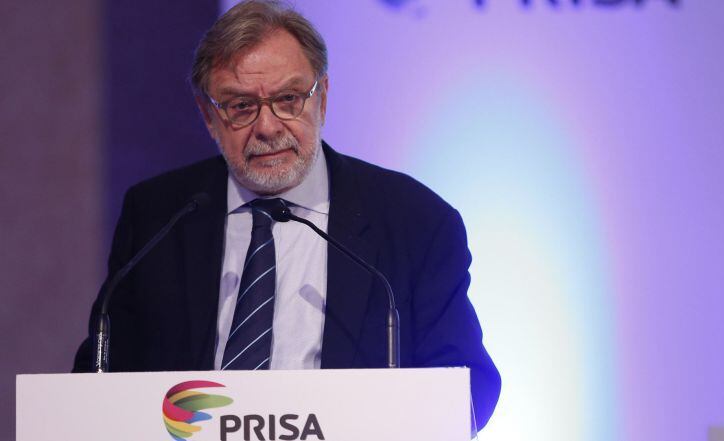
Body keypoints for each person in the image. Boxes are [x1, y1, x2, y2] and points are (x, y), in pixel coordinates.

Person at [74, 0, 500, 429]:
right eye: (240, 106)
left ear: (323, 99)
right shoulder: (159, 214)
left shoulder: (413, 220)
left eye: (288, 99)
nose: (268, 127)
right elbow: (101, 376)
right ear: (208, 115)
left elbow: (466, 381)